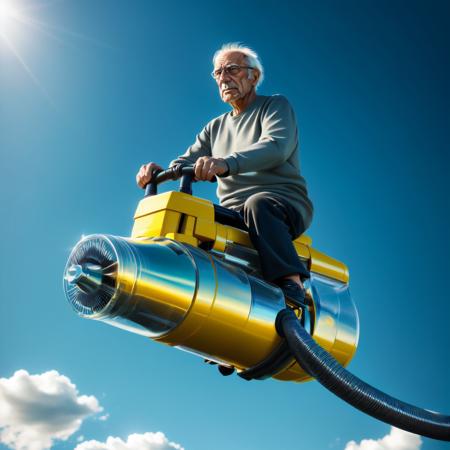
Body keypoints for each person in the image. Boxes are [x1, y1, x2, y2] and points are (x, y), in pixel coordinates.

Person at [136, 43, 313, 310]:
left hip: (281, 203)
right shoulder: (214, 127)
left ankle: (291, 282)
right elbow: (187, 160)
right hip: (235, 213)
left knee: (258, 203)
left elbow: (276, 146)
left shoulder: (275, 106)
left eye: (232, 69)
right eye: (218, 73)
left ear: (253, 76)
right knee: (195, 220)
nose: (224, 78)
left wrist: (226, 163)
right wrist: (158, 172)